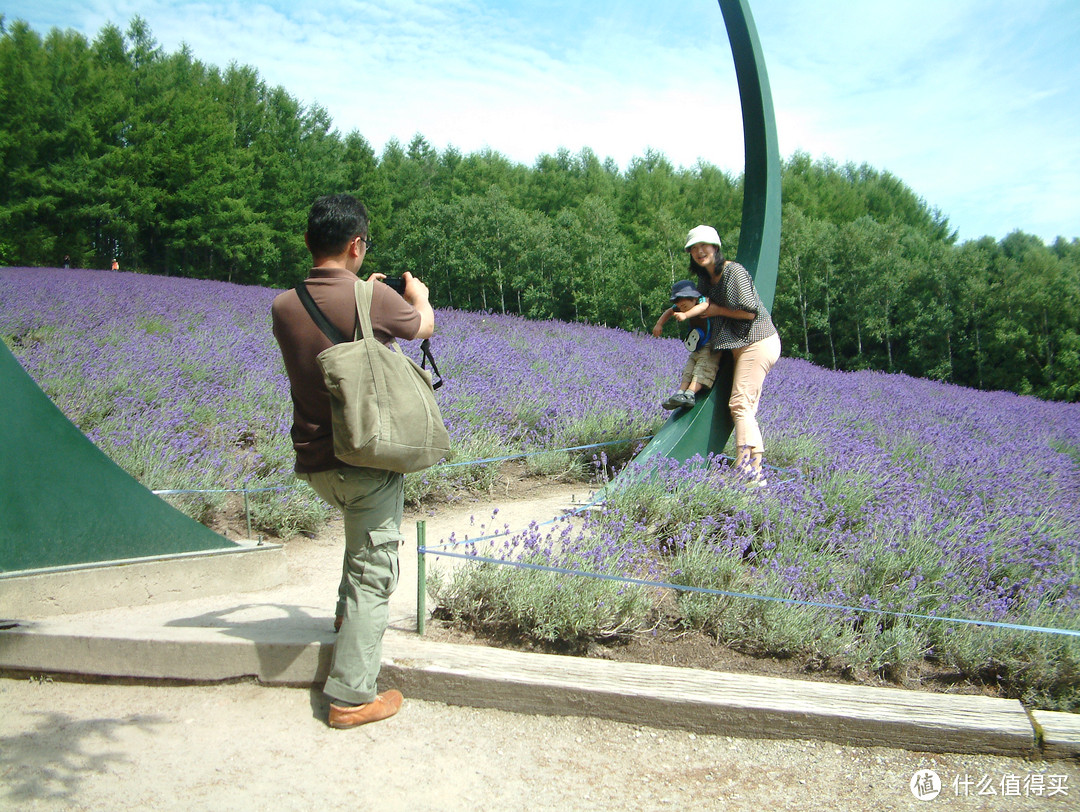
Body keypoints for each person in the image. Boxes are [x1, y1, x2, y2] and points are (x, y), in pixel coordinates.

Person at [271, 193, 435, 729]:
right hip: (365, 459)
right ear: (356, 244)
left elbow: (331, 324)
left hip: (315, 463)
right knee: (374, 571)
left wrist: (368, 291)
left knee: (358, 543)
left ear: (307, 241)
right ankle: (351, 696)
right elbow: (421, 327)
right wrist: (417, 295)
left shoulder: (283, 304)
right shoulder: (377, 298)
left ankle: (344, 619)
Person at [684, 224, 781, 486]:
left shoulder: (733, 272)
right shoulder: (705, 280)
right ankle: (753, 469)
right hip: (740, 346)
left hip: (758, 341)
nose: (699, 251)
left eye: (704, 245)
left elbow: (750, 313)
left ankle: (747, 469)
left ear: (715, 247)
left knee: (739, 404)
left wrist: (716, 311)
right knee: (746, 407)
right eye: (693, 248)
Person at [652, 279, 720, 410]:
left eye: (684, 305)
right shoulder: (681, 306)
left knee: (703, 368)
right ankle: (680, 393)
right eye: (680, 306)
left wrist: (686, 315)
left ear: (693, 298)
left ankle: (690, 393)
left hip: (709, 345)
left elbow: (703, 307)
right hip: (696, 344)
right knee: (689, 368)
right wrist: (659, 324)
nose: (681, 308)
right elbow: (669, 311)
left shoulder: (702, 301)